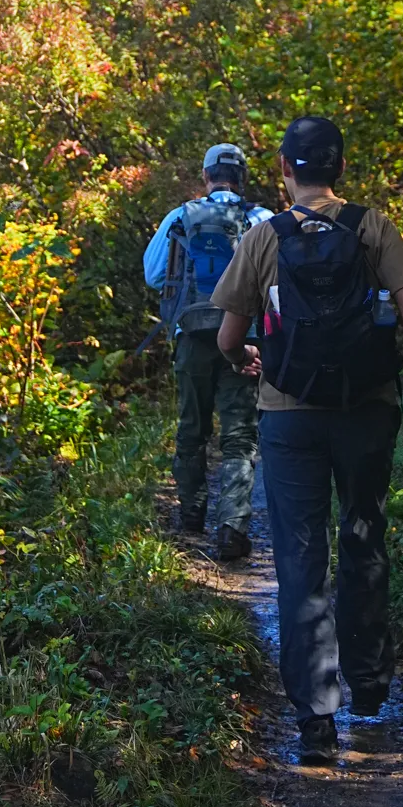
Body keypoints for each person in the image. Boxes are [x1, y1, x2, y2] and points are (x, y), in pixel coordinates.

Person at [212, 113, 403, 764]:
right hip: (368, 410)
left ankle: (315, 725)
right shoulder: (374, 229)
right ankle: (371, 694)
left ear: (286, 170)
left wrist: (250, 364)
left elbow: (227, 339)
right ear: (340, 168)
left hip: (288, 416)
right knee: (363, 537)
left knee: (299, 562)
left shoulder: (265, 237)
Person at [142, 142, 272, 561]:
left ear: (206, 176)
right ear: (243, 177)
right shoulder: (263, 219)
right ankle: (232, 525)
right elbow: (278, 283)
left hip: (192, 336)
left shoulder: (180, 217)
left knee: (191, 429)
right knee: (239, 436)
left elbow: (153, 274)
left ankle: (192, 513)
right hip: (245, 339)